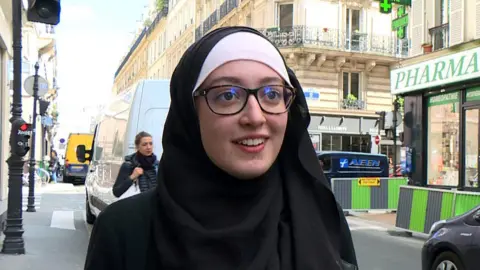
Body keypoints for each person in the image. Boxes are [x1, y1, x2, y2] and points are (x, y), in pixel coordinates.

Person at [85, 26, 357, 270]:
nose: (255, 116)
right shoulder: (124, 230)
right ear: (190, 114)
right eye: (227, 95)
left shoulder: (321, 219)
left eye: (272, 94)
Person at [112, 131, 158, 198]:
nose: (149, 147)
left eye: (151, 144)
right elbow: (116, 192)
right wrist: (132, 177)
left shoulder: (157, 165)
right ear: (137, 147)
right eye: (144, 144)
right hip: (138, 205)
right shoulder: (128, 165)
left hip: (155, 205)